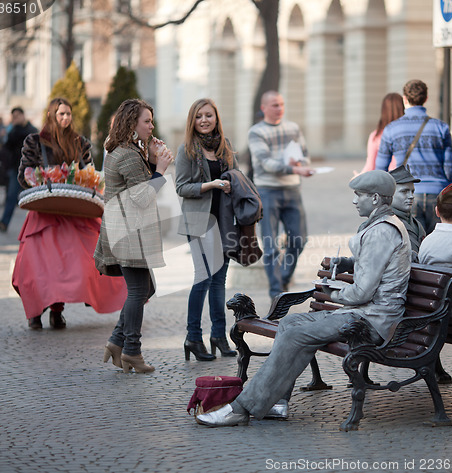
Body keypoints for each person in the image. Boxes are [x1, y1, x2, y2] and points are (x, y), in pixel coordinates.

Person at [196, 170, 412, 427]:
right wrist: (347, 263)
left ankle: (241, 407)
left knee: (297, 334)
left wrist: (332, 293)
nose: (355, 201)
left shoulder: (382, 231)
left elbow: (362, 293)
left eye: (360, 195)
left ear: (376, 198)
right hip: (364, 314)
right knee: (290, 324)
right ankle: (277, 402)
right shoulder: (380, 226)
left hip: (373, 321)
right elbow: (376, 264)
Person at [12, 97, 127, 330]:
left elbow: (91, 174)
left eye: (68, 114)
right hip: (44, 211)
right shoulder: (34, 141)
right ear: (51, 115)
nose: (65, 118)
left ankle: (57, 312)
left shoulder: (80, 142)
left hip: (76, 211)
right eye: (61, 114)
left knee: (76, 264)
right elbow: (24, 174)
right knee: (37, 266)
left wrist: (90, 181)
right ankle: (35, 312)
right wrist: (35, 176)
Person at [94, 98, 174, 374]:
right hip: (126, 233)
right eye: (147, 121)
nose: (152, 127)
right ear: (132, 123)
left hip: (127, 230)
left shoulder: (128, 150)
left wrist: (152, 161)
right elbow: (142, 197)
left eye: (151, 121)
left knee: (146, 289)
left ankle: (118, 342)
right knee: (140, 290)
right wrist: (161, 169)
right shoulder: (126, 154)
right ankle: (131, 351)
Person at [175, 98, 238, 361]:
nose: (204, 120)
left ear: (216, 118)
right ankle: (192, 336)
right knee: (203, 277)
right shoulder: (187, 150)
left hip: (223, 220)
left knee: (220, 281)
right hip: (199, 222)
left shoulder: (226, 147)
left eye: (209, 115)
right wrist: (210, 185)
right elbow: (181, 187)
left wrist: (232, 183)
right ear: (193, 120)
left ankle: (219, 335)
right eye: (199, 116)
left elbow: (236, 177)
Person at [248, 90, 314, 299]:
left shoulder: (293, 128)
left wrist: (301, 164)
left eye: (282, 104)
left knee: (299, 240)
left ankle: (284, 278)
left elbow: (304, 155)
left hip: (292, 190)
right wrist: (294, 169)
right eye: (275, 105)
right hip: (267, 191)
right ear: (264, 108)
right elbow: (265, 163)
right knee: (270, 245)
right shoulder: (256, 132)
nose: (279, 108)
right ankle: (276, 292)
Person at [376, 79, 452, 234]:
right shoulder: (441, 127)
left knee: (411, 246)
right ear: (425, 99)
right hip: (438, 195)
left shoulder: (391, 129)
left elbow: (380, 171)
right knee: (436, 246)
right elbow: (450, 168)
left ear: (404, 99)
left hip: (406, 195)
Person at [0, 107, 37, 232]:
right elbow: (8, 145)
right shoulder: (14, 130)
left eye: (17, 116)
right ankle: (4, 223)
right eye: (13, 117)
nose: (15, 119)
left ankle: (35, 225)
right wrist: (15, 128)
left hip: (30, 171)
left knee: (33, 198)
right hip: (16, 169)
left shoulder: (31, 130)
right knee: (11, 196)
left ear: (23, 115)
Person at [358, 92, 404, 174]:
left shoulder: (376, 136)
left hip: (389, 180)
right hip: (408, 178)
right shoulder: (407, 132)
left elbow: (370, 165)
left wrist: (358, 177)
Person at [389, 165, 426, 261]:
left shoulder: (416, 224)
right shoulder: (384, 223)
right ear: (389, 194)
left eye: (412, 191)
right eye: (404, 191)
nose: (411, 196)